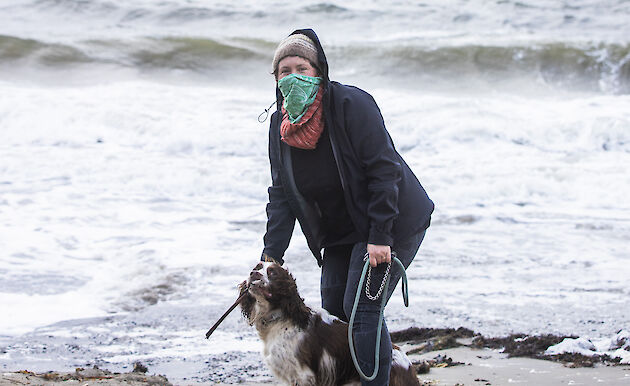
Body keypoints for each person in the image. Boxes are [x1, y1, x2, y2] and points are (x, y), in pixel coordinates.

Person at [260, 28, 434, 386]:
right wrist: (270, 255)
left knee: (362, 313)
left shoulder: (351, 105)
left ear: (319, 71)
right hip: (339, 234)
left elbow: (385, 171)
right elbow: (282, 194)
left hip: (391, 224)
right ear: (275, 79)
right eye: (283, 71)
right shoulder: (281, 125)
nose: (292, 77)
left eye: (302, 68)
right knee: (335, 316)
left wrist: (380, 235)